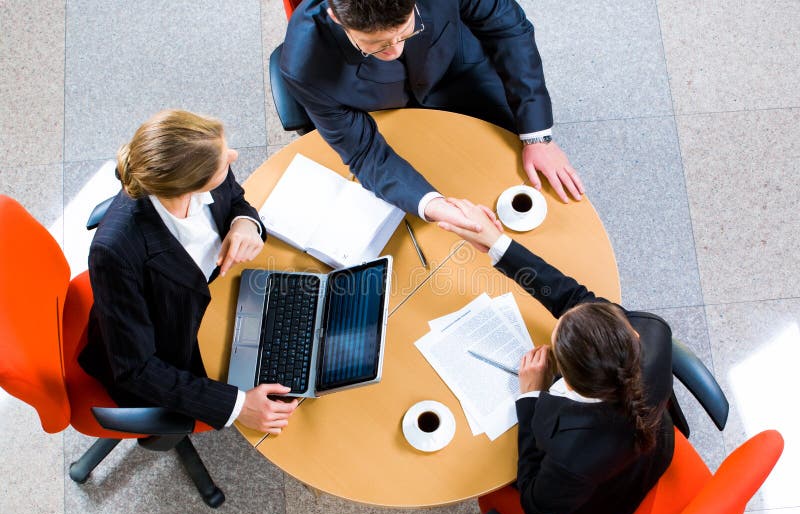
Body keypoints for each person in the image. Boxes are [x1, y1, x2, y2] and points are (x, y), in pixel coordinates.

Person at [439, 199, 675, 514]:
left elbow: (535, 503)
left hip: (606, 503)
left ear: (567, 379)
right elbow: (571, 296)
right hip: (658, 448)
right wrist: (496, 243)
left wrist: (532, 396)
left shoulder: (571, 454)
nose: (573, 305)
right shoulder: (653, 335)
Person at [79, 110, 298, 434]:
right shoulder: (114, 252)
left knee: (298, 322)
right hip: (174, 347)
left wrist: (245, 224)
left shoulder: (200, 157)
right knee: (288, 384)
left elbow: (236, 199)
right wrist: (238, 406)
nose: (233, 157)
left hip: (214, 293)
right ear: (186, 187)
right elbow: (136, 369)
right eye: (223, 163)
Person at [279, 0, 584, 232]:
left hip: (458, 68)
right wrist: (434, 206)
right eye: (378, 45)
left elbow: (508, 28)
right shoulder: (304, 64)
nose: (396, 50)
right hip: (384, 110)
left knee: (522, 173)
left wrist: (537, 137)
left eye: (404, 32)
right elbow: (364, 153)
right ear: (336, 18)